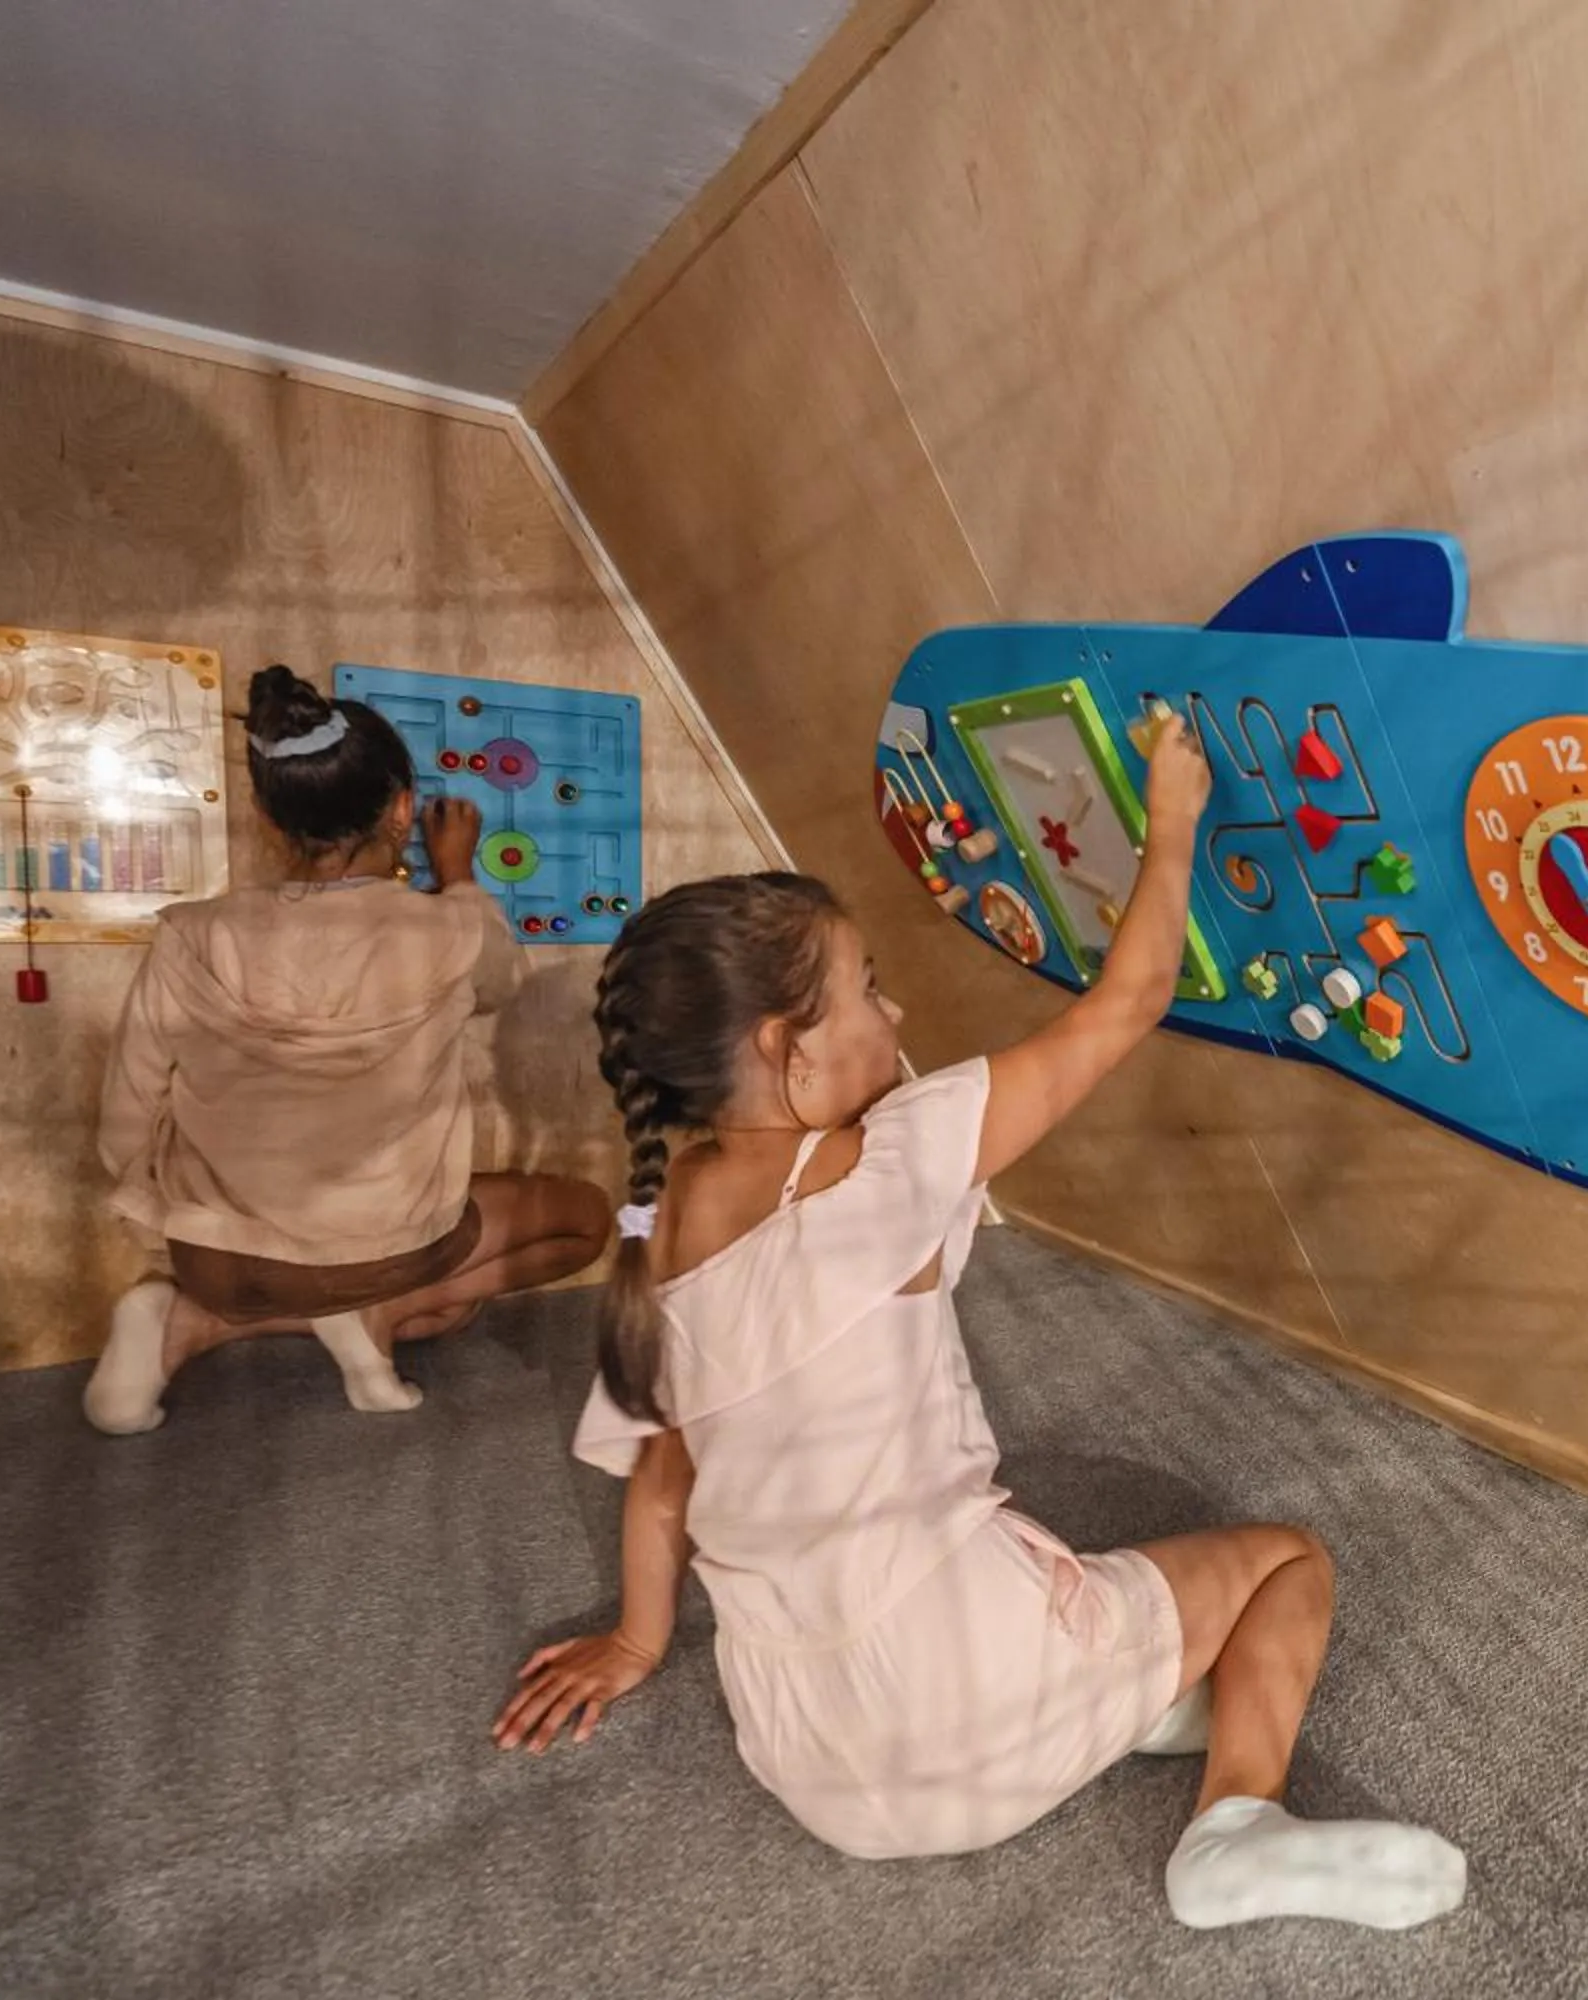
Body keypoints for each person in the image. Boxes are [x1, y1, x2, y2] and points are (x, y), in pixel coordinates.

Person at [494, 723, 1465, 1932]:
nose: (894, 1011)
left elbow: (658, 1486)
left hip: (814, 1767)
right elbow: (1133, 999)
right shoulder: (885, 1158)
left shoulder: (656, 1234)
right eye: (866, 989)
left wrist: (638, 1643)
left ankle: (1129, 1703)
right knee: (1288, 1559)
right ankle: (1235, 1825)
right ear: (788, 1055)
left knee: (1111, 1597)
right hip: (974, 1693)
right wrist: (1171, 817)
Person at [85, 665, 613, 1433]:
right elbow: (504, 986)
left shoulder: (189, 935)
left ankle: (196, 1320)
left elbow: (124, 1124)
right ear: (404, 810)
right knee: (586, 1220)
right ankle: (359, 1318)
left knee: (429, 1301)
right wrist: (460, 876)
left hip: (220, 1262)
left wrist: (175, 1221)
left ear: (268, 818)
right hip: (389, 1255)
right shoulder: (453, 929)